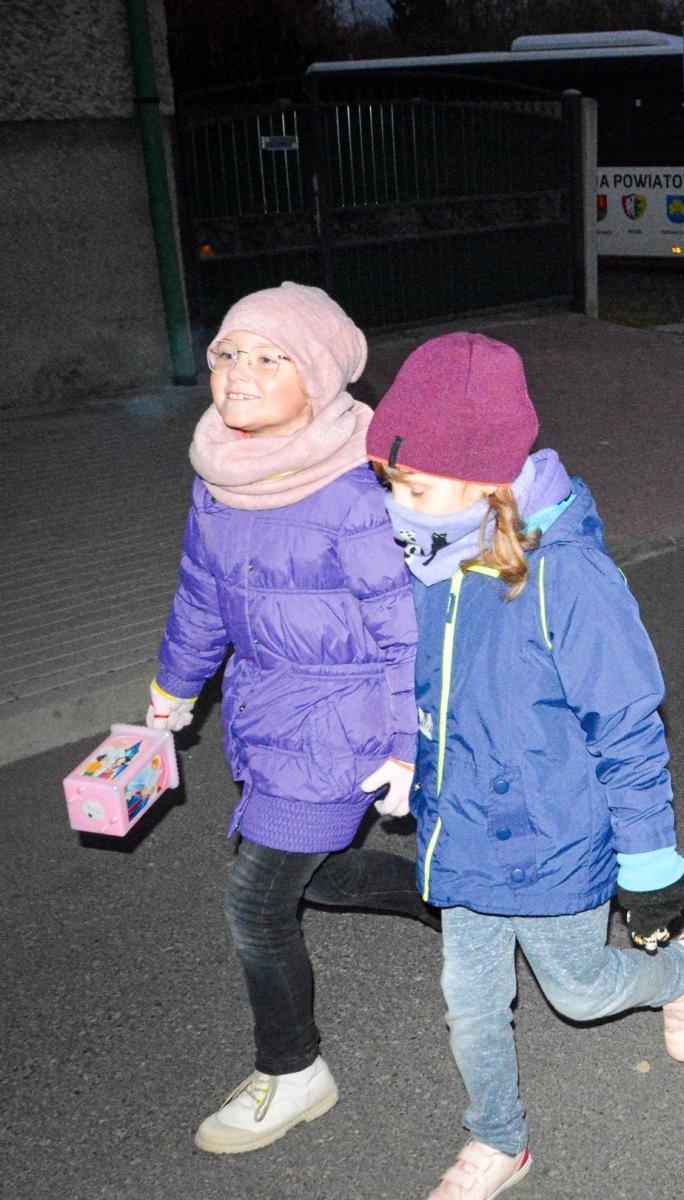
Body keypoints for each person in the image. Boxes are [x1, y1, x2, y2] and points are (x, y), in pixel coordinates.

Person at [366, 332, 684, 1199]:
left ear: (485, 479)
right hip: (463, 831)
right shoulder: (431, 558)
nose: (397, 506)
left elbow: (627, 728)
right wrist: (407, 755)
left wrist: (650, 863)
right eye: (391, 484)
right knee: (470, 1001)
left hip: (556, 834)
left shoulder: (572, 579)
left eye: (413, 486)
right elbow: (424, 680)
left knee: (580, 990)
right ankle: (497, 1139)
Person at [148, 282, 429, 1154]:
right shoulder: (221, 476)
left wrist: (404, 744)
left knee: (257, 902)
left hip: (344, 724)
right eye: (229, 353)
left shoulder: (355, 492)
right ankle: (464, 897)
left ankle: (294, 1069)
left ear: (318, 378)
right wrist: (175, 686)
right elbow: (202, 595)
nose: (240, 373)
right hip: (268, 711)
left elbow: (403, 632)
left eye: (271, 359)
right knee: (326, 877)